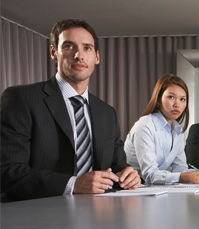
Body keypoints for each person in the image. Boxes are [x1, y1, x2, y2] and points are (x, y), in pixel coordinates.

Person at [0, 19, 141, 200]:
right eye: (69, 46)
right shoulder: (22, 99)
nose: (79, 55)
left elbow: (117, 166)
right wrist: (73, 184)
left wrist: (128, 176)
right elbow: (7, 171)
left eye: (87, 48)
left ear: (97, 57)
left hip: (99, 215)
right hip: (38, 216)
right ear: (54, 53)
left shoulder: (106, 112)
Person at [125, 74, 199, 185]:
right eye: (171, 97)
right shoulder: (145, 125)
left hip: (153, 190)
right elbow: (149, 175)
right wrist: (183, 177)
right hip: (132, 189)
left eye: (182, 99)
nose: (177, 104)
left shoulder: (177, 130)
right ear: (158, 100)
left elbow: (180, 169)